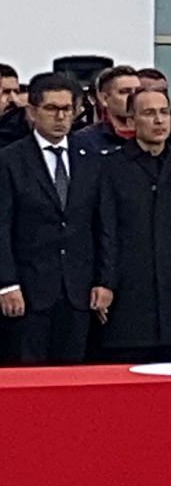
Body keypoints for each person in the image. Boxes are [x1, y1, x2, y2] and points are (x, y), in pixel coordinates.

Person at [0, 73, 117, 363]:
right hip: (28, 291)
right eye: (52, 109)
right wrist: (7, 284)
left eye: (67, 109)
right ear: (32, 111)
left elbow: (104, 225)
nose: (61, 117)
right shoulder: (10, 160)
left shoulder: (91, 159)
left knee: (73, 379)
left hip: (78, 291)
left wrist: (105, 280)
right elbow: (1, 226)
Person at [102, 88, 171, 363]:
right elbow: (105, 230)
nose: (159, 121)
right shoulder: (109, 168)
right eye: (149, 113)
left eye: (164, 112)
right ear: (131, 120)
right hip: (128, 301)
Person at [79, 66, 141, 155]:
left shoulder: (157, 135)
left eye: (138, 91)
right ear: (104, 98)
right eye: (124, 92)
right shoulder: (85, 141)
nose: (133, 97)